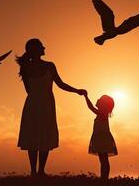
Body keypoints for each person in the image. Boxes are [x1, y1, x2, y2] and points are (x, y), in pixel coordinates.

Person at [16, 38, 86, 177]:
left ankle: (34, 172)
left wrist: (76, 90)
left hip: (32, 104)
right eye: (41, 46)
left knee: (35, 136)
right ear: (35, 49)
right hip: (45, 104)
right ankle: (39, 172)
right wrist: (77, 90)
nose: (44, 48)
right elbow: (60, 84)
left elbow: (28, 90)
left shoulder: (26, 68)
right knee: (42, 135)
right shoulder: (49, 66)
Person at [83, 92, 118, 181]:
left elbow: (91, 107)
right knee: (103, 160)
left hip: (102, 139)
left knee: (104, 160)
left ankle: (104, 179)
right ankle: (104, 178)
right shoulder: (102, 114)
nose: (98, 100)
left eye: (100, 100)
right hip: (101, 138)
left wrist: (86, 97)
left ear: (104, 105)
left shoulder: (102, 114)